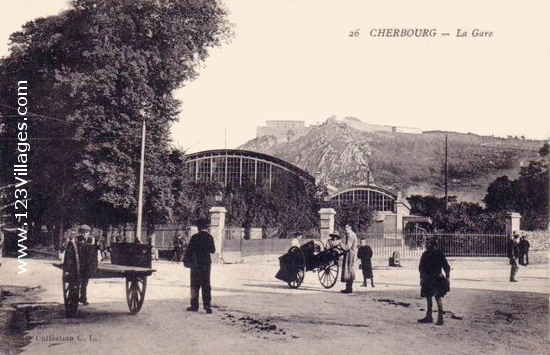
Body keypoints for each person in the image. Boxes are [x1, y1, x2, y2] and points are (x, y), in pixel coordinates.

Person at [183, 219, 216, 313]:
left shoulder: (194, 237)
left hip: (195, 264)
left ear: (198, 228)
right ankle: (207, 306)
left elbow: (189, 251)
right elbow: (213, 250)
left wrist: (186, 261)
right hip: (205, 264)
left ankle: (194, 306)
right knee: (206, 285)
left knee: (194, 285)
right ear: (206, 227)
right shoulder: (209, 237)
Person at [418, 238, 450, 326]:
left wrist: (422, 277)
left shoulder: (426, 254)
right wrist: (447, 277)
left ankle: (432, 317)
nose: (427, 245)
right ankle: (438, 317)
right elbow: (446, 267)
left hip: (429, 279)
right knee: (436, 297)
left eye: (428, 244)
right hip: (436, 278)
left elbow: (421, 268)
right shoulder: (439, 254)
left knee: (430, 297)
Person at [75, 224, 98, 306]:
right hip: (79, 263)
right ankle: (78, 298)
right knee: (78, 282)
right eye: (83, 232)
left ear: (89, 232)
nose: (85, 234)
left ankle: (83, 298)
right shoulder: (77, 239)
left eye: (87, 232)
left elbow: (94, 249)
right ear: (80, 233)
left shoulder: (91, 239)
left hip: (88, 263)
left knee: (85, 282)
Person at [340, 223, 358, 294]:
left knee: (349, 270)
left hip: (350, 254)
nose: (345, 229)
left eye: (347, 227)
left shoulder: (351, 235)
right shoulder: (349, 234)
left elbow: (347, 246)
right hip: (349, 254)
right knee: (348, 270)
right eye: (345, 227)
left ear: (350, 227)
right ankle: (348, 288)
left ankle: (349, 288)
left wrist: (340, 243)